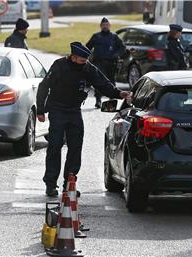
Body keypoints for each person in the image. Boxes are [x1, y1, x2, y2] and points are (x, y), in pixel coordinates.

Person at [36, 42, 131, 197]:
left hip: (74, 110)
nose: (84, 63)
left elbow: (102, 82)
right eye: (81, 60)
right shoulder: (59, 66)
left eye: (86, 60)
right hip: (57, 109)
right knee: (55, 146)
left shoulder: (86, 67)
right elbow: (43, 86)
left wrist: (119, 93)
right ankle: (50, 184)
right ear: (73, 57)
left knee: (75, 147)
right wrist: (40, 110)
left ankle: (70, 183)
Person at [86, 17, 126, 108]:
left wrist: (117, 54)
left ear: (109, 26)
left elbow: (122, 48)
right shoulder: (96, 36)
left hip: (111, 63)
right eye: (103, 25)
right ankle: (98, 100)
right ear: (100, 26)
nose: (105, 27)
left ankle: (111, 101)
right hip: (99, 62)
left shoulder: (114, 36)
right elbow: (87, 47)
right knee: (99, 81)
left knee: (111, 82)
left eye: (107, 25)